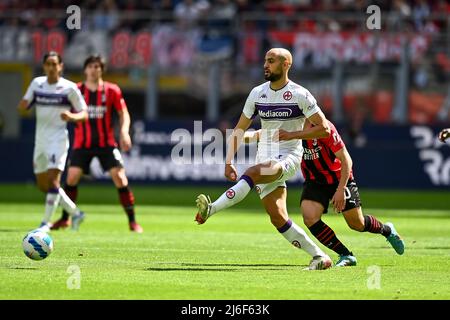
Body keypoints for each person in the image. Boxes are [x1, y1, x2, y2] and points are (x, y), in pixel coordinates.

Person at [195, 48, 334, 270]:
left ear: (286, 64)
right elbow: (239, 130)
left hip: (289, 155)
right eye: (265, 61)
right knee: (278, 218)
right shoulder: (257, 93)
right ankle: (320, 256)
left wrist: (293, 135)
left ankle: (211, 209)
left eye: (271, 61)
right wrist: (228, 161)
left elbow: (324, 129)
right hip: (265, 154)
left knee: (251, 173)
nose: (265, 65)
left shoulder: (300, 94)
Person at [277, 119, 405, 266]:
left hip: (339, 178)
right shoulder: (289, 128)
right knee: (309, 217)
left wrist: (341, 189)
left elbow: (347, 160)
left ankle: (387, 230)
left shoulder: (324, 128)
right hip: (315, 181)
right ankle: (345, 255)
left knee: (357, 224)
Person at [50, 54, 143, 233]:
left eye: (97, 66)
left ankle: (133, 222)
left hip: (106, 143)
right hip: (82, 143)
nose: (94, 69)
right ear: (85, 70)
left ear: (102, 70)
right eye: (91, 66)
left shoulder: (111, 90)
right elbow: (62, 113)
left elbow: (123, 113)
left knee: (120, 177)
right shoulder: (76, 90)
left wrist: (124, 132)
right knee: (71, 177)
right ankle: (65, 219)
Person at [17, 51, 88, 232]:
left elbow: (84, 114)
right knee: (44, 185)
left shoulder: (69, 88)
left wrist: (71, 116)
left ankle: (45, 223)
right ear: (44, 66)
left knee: (53, 181)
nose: (51, 67)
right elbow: (24, 103)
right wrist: (22, 106)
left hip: (58, 139)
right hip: (40, 141)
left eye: (54, 64)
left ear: (61, 66)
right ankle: (76, 213)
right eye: (48, 64)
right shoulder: (37, 84)